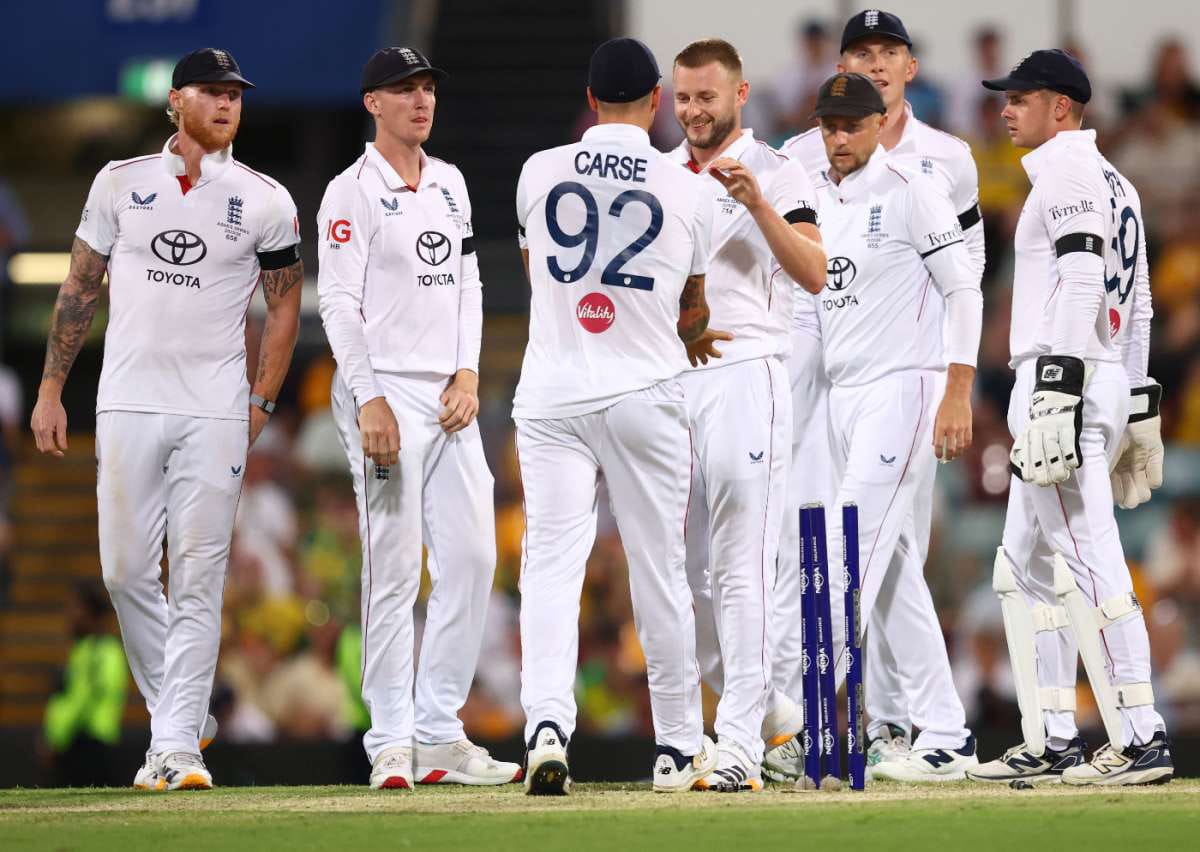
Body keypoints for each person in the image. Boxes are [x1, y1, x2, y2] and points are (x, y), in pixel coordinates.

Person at [30, 48, 303, 791]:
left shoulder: (266, 199)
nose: (227, 104)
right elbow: (80, 284)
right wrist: (51, 388)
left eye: (235, 94)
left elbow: (284, 307)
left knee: (198, 577)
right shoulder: (119, 182)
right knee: (123, 573)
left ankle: (178, 747)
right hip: (126, 400)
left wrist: (261, 400)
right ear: (175, 100)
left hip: (214, 407)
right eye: (211, 92)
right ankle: (179, 714)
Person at [776, 9, 986, 782]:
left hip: (904, 388)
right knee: (891, 567)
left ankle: (802, 726)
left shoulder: (917, 184)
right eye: (829, 124)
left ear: (880, 121)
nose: (839, 136)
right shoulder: (815, 191)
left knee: (846, 553)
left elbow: (965, 287)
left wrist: (957, 389)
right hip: (842, 392)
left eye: (851, 124)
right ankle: (945, 731)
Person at [513, 37, 722, 795]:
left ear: (590, 99)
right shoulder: (687, 187)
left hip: (553, 393)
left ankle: (545, 728)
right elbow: (693, 311)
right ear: (658, 100)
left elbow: (538, 275)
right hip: (644, 390)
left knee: (550, 567)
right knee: (659, 570)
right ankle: (676, 748)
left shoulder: (539, 171)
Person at [967, 50, 1173, 786]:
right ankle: (1052, 735)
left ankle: (1141, 733)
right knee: (1022, 566)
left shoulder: (1064, 169)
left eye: (1019, 98)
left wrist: (1057, 387)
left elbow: (1086, 278)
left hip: (1066, 379)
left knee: (1086, 556)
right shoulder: (1115, 180)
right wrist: (1140, 405)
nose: (1005, 110)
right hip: (1101, 372)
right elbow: (1139, 305)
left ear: (1061, 107)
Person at [317, 46, 520, 790]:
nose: (421, 100)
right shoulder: (351, 192)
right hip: (386, 392)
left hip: (448, 396)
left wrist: (468, 371)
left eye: (428, 87)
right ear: (373, 103)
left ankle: (437, 731)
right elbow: (337, 302)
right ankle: (390, 739)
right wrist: (367, 396)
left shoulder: (450, 183)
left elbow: (469, 281)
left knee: (472, 559)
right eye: (404, 89)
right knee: (395, 566)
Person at [668, 38, 825, 791]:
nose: (694, 111)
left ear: (740, 94)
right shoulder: (660, 175)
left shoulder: (779, 171)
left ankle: (735, 746)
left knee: (742, 565)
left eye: (707, 97)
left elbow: (815, 272)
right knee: (683, 575)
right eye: (683, 98)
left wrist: (758, 205)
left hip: (748, 374)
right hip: (672, 382)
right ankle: (776, 719)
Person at [43, 580, 128, 787]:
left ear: (90, 612)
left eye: (74, 607)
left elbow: (83, 698)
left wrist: (57, 737)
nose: (69, 614)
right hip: (79, 741)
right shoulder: (84, 649)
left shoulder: (103, 651)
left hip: (91, 743)